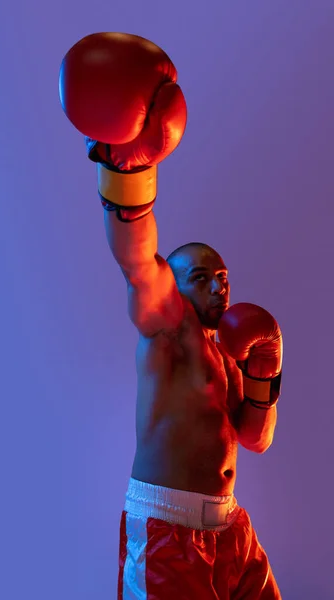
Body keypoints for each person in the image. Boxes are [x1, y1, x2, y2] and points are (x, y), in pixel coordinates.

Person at [60, 32, 283, 600]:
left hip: (229, 527)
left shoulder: (225, 352)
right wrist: (128, 169)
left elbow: (255, 440)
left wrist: (263, 375)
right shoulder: (167, 325)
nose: (219, 285)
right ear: (176, 287)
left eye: (224, 276)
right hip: (167, 531)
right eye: (201, 276)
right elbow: (137, 261)